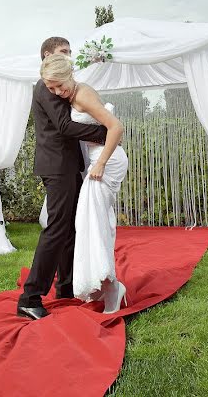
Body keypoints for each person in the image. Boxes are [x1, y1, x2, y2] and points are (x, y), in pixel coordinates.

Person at [17, 38, 109, 320]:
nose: (69, 57)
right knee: (57, 229)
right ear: (47, 55)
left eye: (69, 52)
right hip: (57, 166)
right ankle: (29, 297)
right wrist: (106, 134)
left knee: (69, 227)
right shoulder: (45, 86)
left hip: (66, 165)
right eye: (64, 52)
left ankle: (65, 287)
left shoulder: (58, 84)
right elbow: (65, 126)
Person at [41, 53, 129, 313]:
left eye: (60, 85)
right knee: (90, 223)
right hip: (96, 163)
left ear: (70, 76)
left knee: (96, 225)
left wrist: (100, 163)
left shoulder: (82, 95)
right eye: (51, 88)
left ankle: (113, 288)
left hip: (105, 163)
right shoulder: (72, 95)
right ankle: (103, 284)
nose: (57, 92)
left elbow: (116, 127)